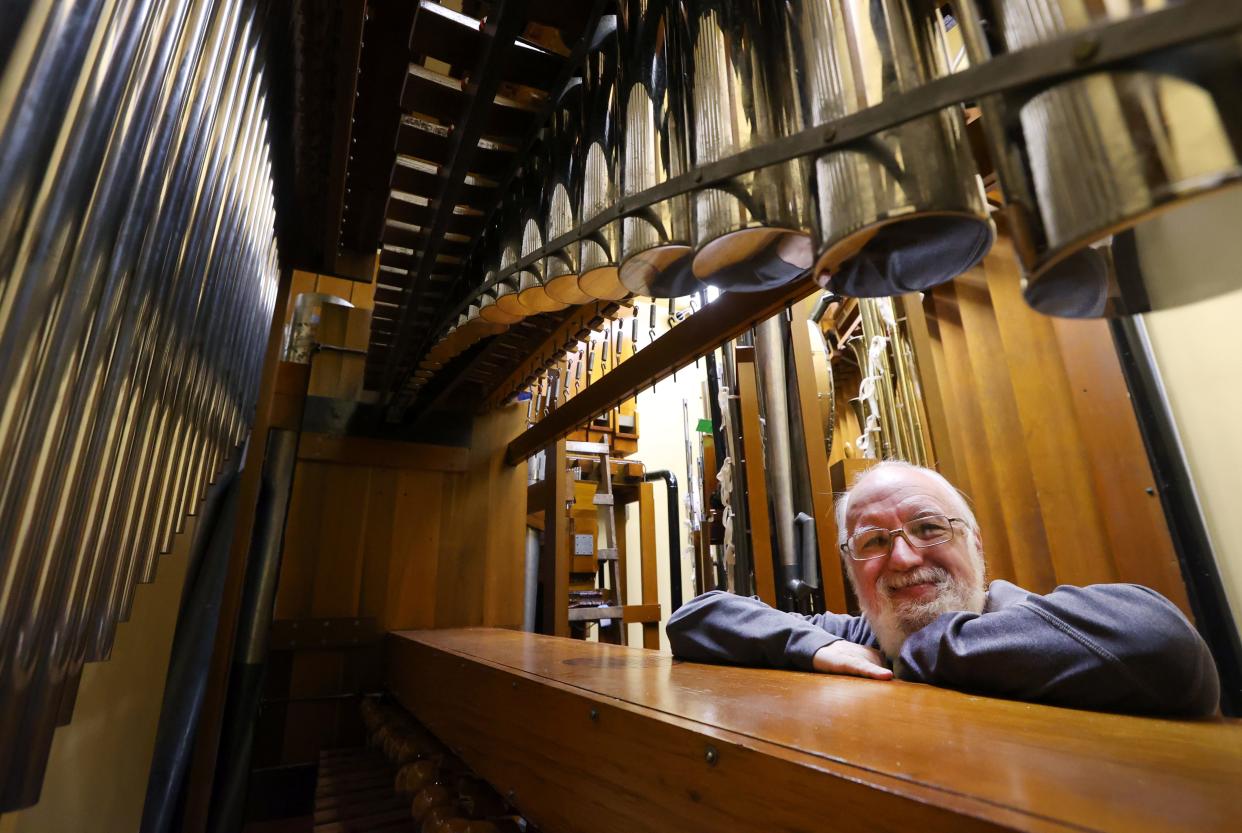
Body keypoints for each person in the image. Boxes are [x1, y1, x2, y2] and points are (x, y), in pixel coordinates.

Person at [666, 461, 1221, 716]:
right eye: (874, 542)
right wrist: (812, 645)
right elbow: (698, 616)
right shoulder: (859, 638)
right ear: (851, 565)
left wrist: (918, 650)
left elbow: (1165, 645)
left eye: (929, 528)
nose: (903, 557)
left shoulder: (1031, 618)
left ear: (975, 544)